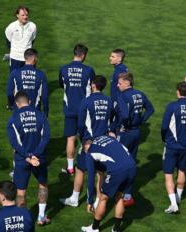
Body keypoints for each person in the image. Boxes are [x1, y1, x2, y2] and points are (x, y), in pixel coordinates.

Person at [60, 75, 113, 208]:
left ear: (93, 85)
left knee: (80, 169)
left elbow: (81, 124)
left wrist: (84, 140)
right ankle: (97, 201)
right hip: (104, 141)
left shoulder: (86, 101)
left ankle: (75, 198)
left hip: (89, 142)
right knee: (100, 172)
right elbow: (112, 120)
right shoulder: (109, 101)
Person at [110, 72, 154, 206]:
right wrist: (140, 121)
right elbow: (150, 109)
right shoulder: (140, 94)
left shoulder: (122, 96)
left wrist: (122, 125)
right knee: (131, 162)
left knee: (117, 161)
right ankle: (128, 195)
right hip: (136, 132)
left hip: (125, 133)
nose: (117, 85)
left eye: (120, 83)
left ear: (127, 83)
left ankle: (115, 190)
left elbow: (123, 115)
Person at [7, 91, 50, 225]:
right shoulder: (41, 115)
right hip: (39, 158)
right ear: (29, 102)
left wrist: (28, 156)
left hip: (22, 159)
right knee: (42, 185)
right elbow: (45, 137)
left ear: (16, 103)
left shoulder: (13, 119)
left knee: (20, 191)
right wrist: (35, 155)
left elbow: (15, 143)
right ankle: (41, 217)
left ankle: (22, 220)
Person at [81, 135, 136, 232]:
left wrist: (90, 201)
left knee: (103, 198)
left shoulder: (89, 152)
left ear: (85, 147)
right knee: (120, 196)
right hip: (132, 166)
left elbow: (90, 180)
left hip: (118, 171)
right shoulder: (106, 138)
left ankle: (94, 228)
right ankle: (116, 229)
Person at [161, 82, 186, 214]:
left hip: (172, 145)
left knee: (168, 174)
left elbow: (164, 126)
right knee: (182, 171)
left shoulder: (172, 106)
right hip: (185, 145)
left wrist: (164, 138)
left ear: (178, 91)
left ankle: (173, 204)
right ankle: (177, 198)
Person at [59, 44, 95, 175]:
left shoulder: (64, 69)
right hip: (85, 110)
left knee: (70, 138)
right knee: (87, 138)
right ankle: (89, 165)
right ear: (84, 55)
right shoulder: (89, 70)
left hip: (69, 109)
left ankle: (70, 168)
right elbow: (93, 87)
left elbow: (61, 84)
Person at [7, 48, 49, 115]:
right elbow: (45, 97)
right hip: (35, 112)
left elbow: (9, 93)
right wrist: (46, 112)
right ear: (33, 58)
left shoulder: (14, 73)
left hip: (18, 111)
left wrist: (12, 104)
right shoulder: (41, 74)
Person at [5, 6, 37, 72]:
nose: (25, 17)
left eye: (26, 15)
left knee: (29, 80)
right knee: (15, 78)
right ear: (17, 15)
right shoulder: (11, 27)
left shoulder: (33, 26)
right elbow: (8, 40)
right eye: (23, 15)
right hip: (15, 58)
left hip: (28, 58)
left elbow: (32, 40)